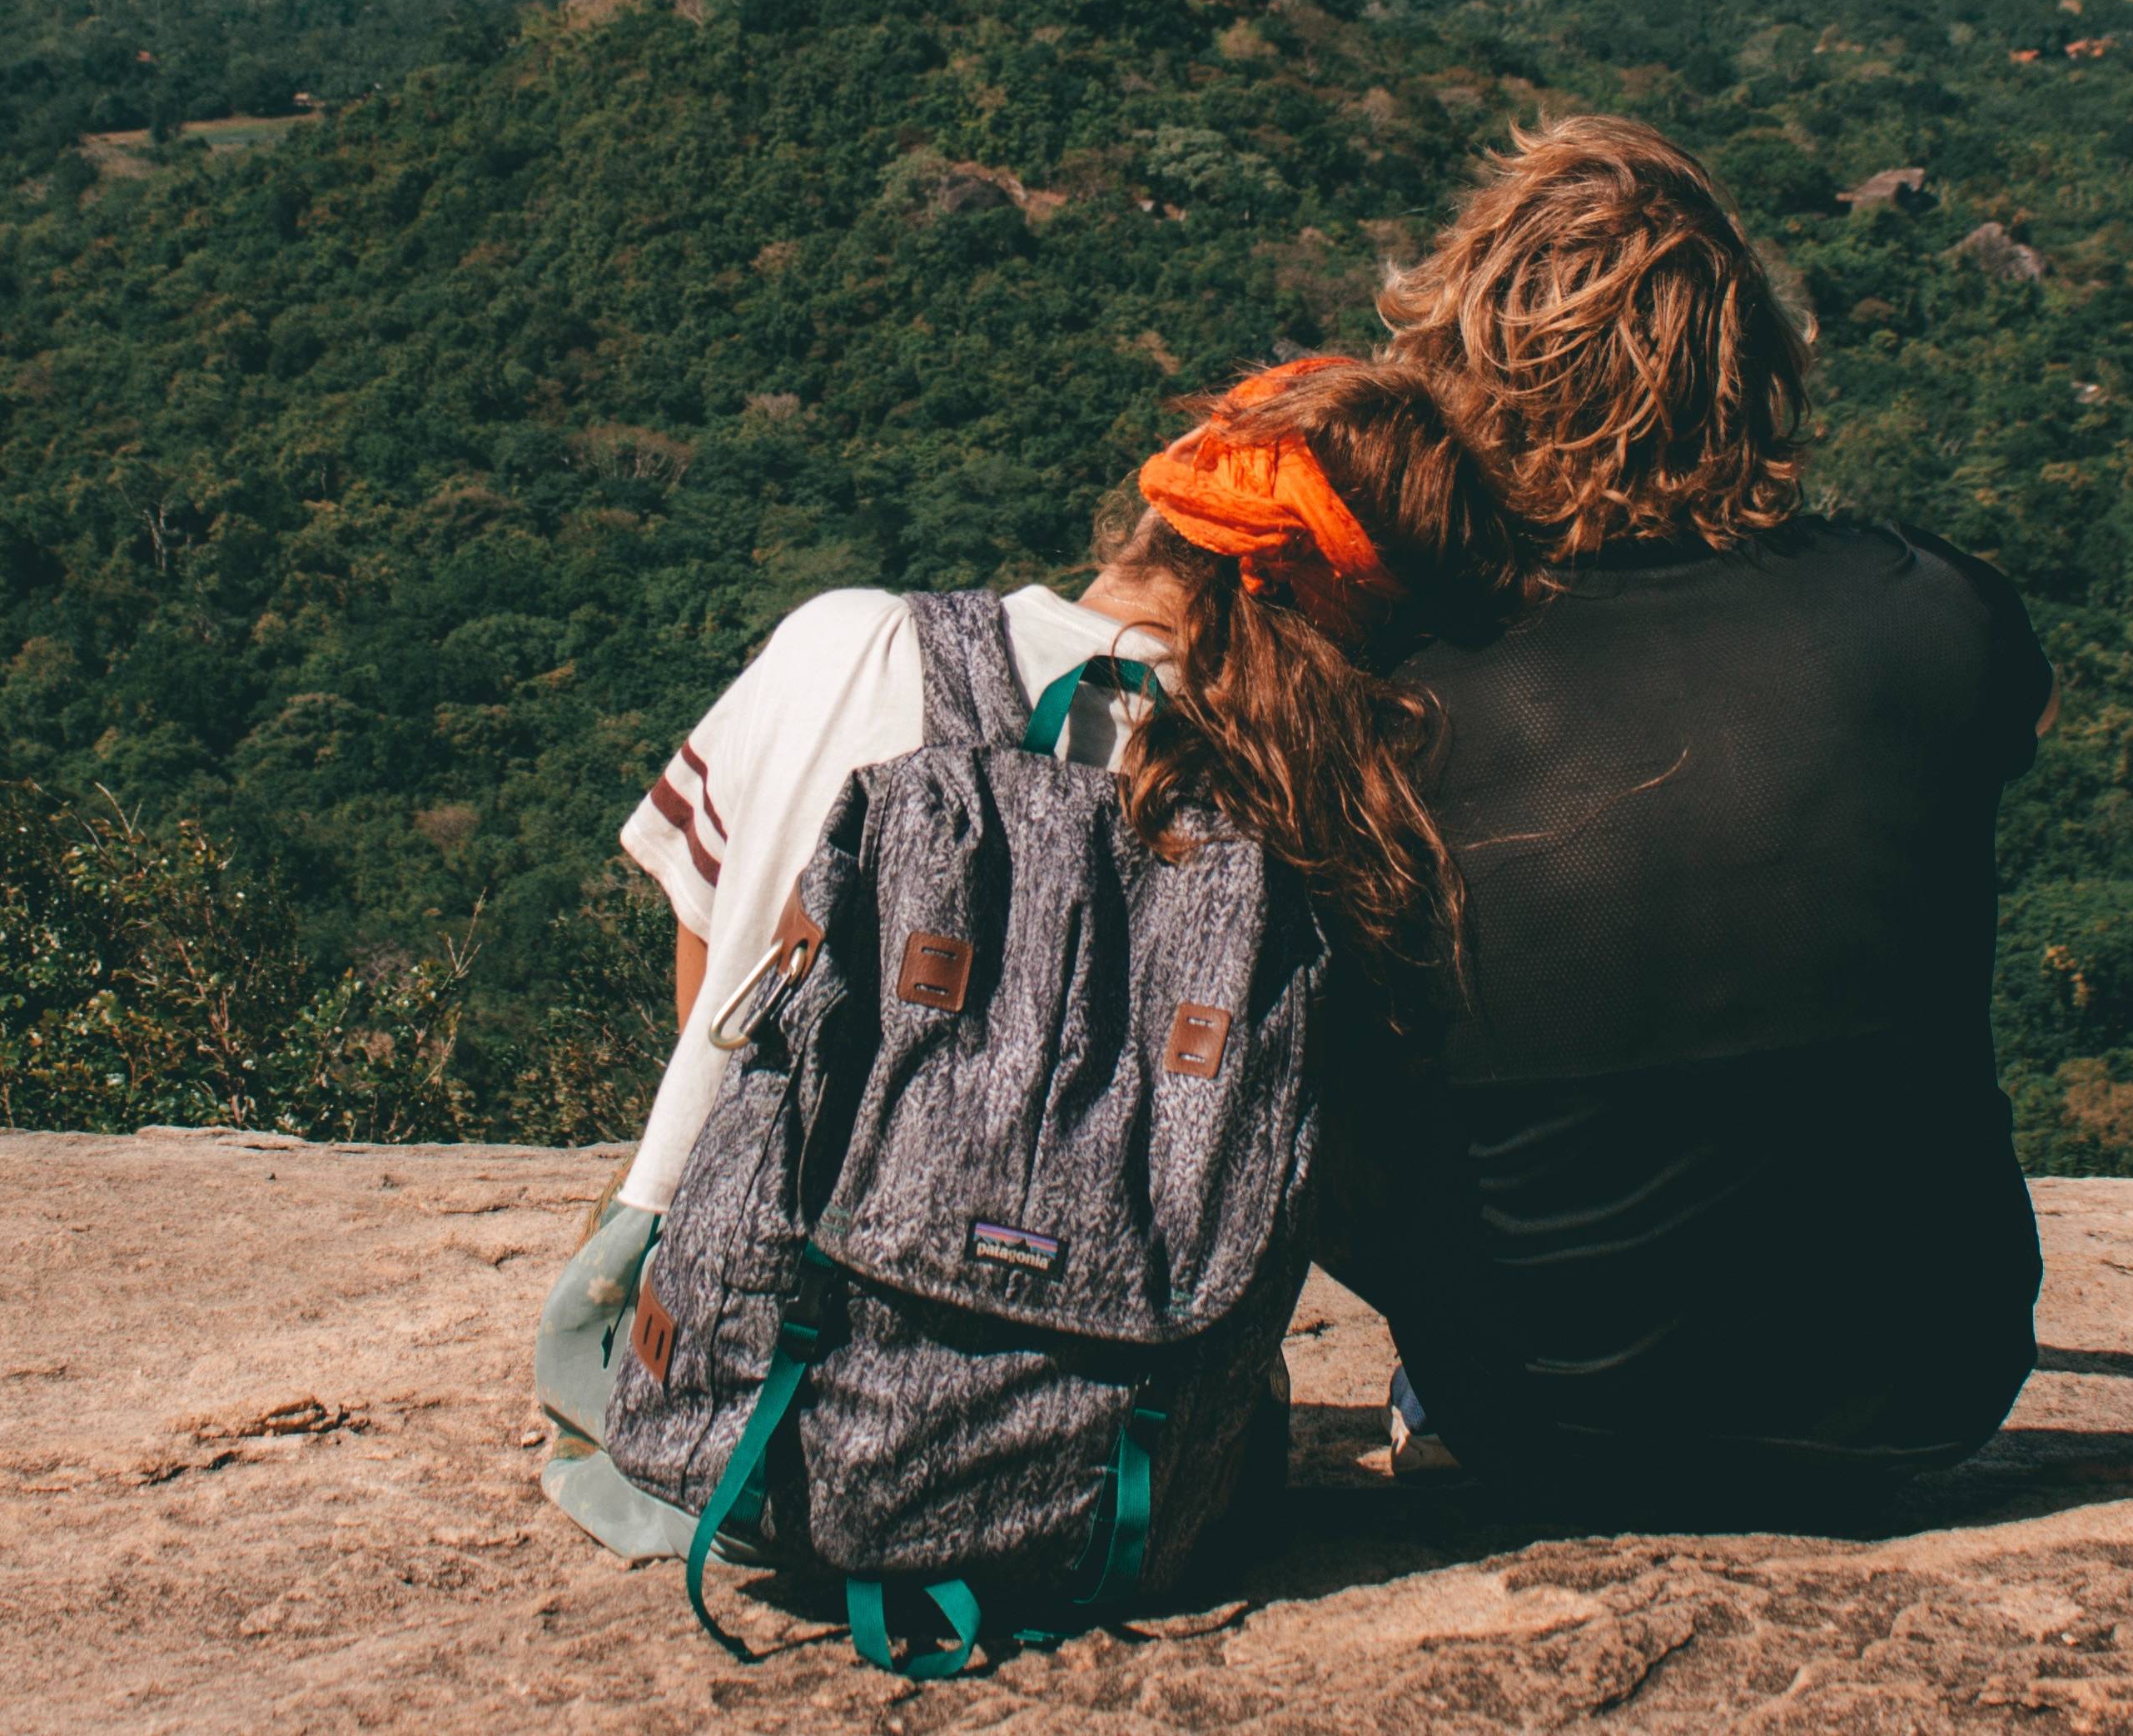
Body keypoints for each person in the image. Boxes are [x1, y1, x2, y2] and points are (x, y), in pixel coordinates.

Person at [533, 353, 1516, 1557]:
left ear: (1165, 498)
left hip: (716, 1401)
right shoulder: (1313, 805)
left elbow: (709, 990)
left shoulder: (848, 642)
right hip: (1110, 1449)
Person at [1332, 112, 2056, 1513]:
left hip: (1540, 1416)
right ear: (1753, 364)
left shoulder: (1397, 690)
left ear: (1465, 375)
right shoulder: (1936, 614)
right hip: (1929, 1387)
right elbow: (2013, 735)